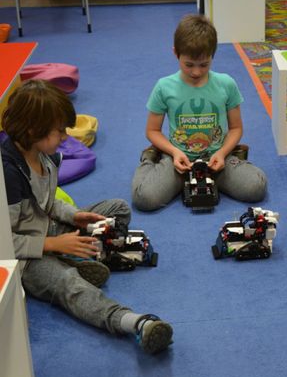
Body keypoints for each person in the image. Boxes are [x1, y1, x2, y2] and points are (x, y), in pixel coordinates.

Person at [1, 80, 173, 354]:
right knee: (68, 282)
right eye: (59, 131)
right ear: (33, 130)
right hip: (24, 256)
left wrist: (76, 216)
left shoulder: (44, 155)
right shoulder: (8, 175)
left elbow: (48, 202)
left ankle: (72, 255)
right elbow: (4, 243)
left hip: (47, 228)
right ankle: (134, 322)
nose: (65, 137)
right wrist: (51, 244)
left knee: (117, 209)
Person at [132, 14, 267, 211]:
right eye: (189, 64)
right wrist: (174, 152)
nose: (196, 72)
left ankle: (219, 168)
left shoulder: (226, 84)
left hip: (217, 157)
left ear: (213, 55)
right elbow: (152, 131)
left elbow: (236, 128)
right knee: (144, 198)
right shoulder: (164, 87)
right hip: (179, 158)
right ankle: (151, 158)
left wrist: (222, 153)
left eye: (204, 64)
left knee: (256, 187)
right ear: (176, 53)